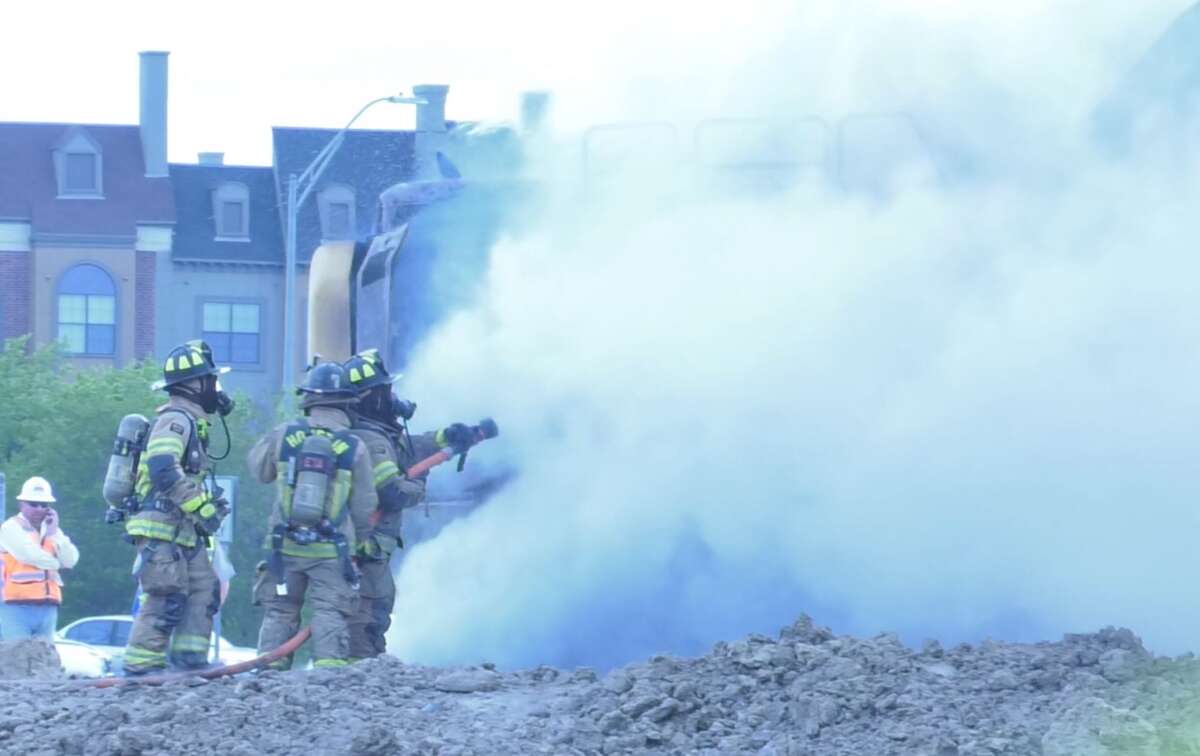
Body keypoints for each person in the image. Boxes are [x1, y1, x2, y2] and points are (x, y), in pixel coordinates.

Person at [342, 349, 476, 659]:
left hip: (371, 548)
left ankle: (364, 671)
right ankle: (356, 673)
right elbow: (393, 492)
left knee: (376, 608)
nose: (393, 397)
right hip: (367, 546)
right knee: (366, 613)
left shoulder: (376, 435)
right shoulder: (369, 440)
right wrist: (419, 486)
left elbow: (409, 449)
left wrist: (447, 437)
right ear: (372, 396)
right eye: (386, 390)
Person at [248, 361, 378, 669]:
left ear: (308, 399)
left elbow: (258, 471)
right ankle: (327, 683)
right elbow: (364, 504)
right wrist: (357, 544)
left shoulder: (285, 434)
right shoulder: (353, 445)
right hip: (332, 550)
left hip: (284, 546)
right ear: (347, 401)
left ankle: (268, 678)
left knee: (280, 611)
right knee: (330, 612)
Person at [122, 340, 234, 675]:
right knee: (165, 594)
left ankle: (190, 662)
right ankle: (142, 668)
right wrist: (201, 507)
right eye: (212, 381)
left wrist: (205, 509)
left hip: (182, 529)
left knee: (204, 588)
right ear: (197, 384)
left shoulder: (192, 422)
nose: (217, 389)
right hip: (160, 526)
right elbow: (162, 467)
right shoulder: (176, 419)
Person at [0, 477, 78, 640]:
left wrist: (54, 532)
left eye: (44, 505)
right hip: (15, 606)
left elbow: (71, 559)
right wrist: (58, 564)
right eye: (33, 504)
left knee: (44, 661)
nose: (39, 508)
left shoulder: (52, 530)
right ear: (22, 504)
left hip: (47, 606)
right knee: (18, 658)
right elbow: (29, 555)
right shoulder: (10, 528)